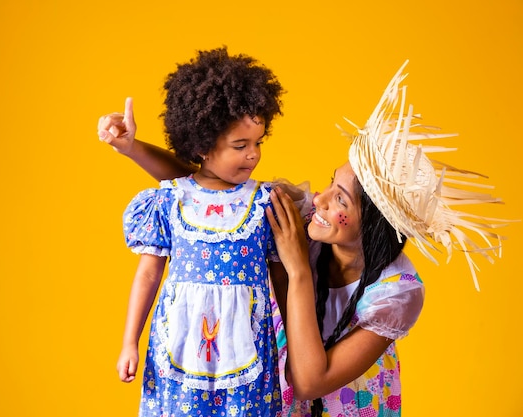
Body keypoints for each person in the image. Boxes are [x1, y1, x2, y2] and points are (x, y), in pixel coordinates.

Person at [99, 61, 511, 417]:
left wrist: (297, 269)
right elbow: (202, 190)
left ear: (373, 226)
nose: (319, 198)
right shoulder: (309, 224)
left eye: (340, 199)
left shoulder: (396, 295)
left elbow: (313, 381)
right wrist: (132, 148)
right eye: (331, 184)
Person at [108, 47, 286, 417]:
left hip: (247, 351)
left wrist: (293, 352)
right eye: (241, 145)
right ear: (203, 145)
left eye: (258, 143)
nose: (253, 155)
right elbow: (148, 273)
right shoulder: (170, 200)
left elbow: (283, 279)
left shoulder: (266, 202)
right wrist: (130, 342)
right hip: (178, 348)